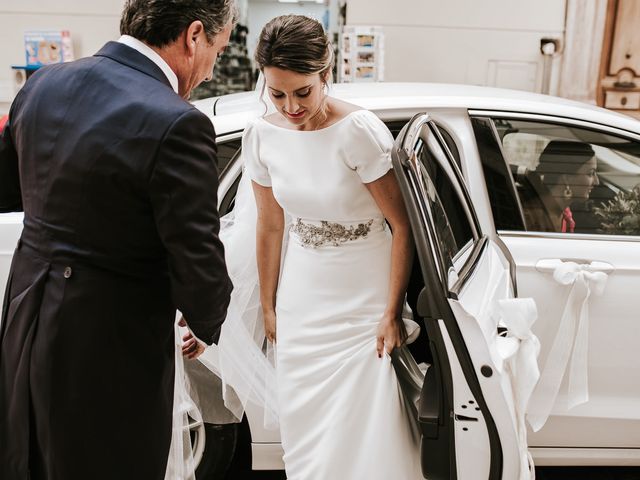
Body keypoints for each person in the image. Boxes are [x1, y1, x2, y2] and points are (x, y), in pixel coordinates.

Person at [0, 1, 235, 479]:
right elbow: (196, 254)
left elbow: (13, 190)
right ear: (194, 36)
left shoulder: (42, 84)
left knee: (29, 458)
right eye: (218, 47)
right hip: (108, 340)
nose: (211, 69)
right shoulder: (179, 122)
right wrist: (207, 318)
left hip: (25, 315)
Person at [206, 14, 423, 480]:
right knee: (306, 420)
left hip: (364, 292)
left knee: (366, 419)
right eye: (277, 93)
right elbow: (269, 226)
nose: (290, 106)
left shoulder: (358, 131)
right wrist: (268, 307)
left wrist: (391, 312)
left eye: (302, 91)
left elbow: (402, 225)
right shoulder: (261, 135)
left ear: (326, 75)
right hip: (302, 293)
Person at [523, 140, 600, 233]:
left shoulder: (564, 214)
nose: (597, 182)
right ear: (567, 179)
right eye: (591, 173)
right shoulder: (531, 218)